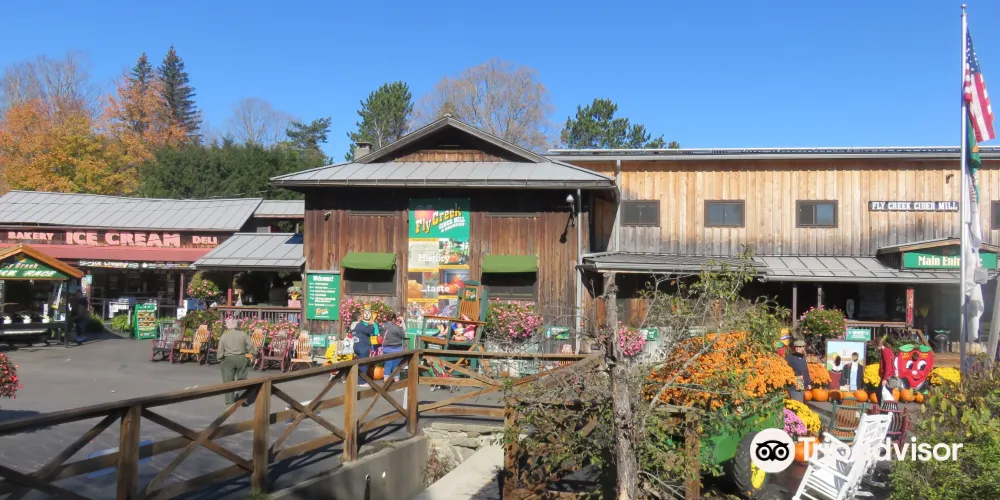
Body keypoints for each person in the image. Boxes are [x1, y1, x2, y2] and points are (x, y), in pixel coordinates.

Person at [217, 317, 252, 405]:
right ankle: (243, 399)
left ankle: (229, 401)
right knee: (242, 379)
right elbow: (250, 345)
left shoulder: (224, 336)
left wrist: (220, 359)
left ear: (228, 325)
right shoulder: (243, 334)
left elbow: (220, 349)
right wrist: (253, 354)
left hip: (229, 359)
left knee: (228, 381)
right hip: (241, 358)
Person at [352, 307, 380, 386]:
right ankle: (362, 382)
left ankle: (358, 380)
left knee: (360, 364)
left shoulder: (358, 325)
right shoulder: (361, 326)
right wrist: (371, 324)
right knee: (363, 364)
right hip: (363, 347)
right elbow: (369, 330)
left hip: (357, 346)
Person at [380, 311, 406, 382]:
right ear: (393, 319)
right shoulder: (396, 328)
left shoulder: (383, 326)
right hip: (396, 349)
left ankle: (385, 382)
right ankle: (396, 382)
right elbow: (403, 336)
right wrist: (401, 327)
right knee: (396, 366)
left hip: (386, 348)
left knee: (387, 365)